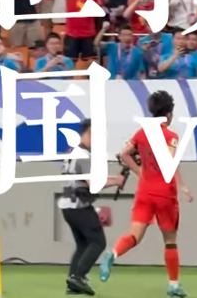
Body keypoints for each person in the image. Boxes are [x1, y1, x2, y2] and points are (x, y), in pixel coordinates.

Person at [100, 90, 194, 297]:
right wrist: (183, 186)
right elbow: (169, 162)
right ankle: (173, 285)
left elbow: (124, 154)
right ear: (168, 114)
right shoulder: (171, 137)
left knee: (135, 234)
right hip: (165, 194)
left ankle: (113, 253)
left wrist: (140, 172)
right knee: (170, 240)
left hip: (145, 191)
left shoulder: (142, 133)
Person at [59, 119, 125, 296]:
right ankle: (78, 277)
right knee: (98, 242)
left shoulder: (72, 152)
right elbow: (92, 183)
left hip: (68, 206)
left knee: (83, 244)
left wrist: (114, 179)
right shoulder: (84, 155)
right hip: (79, 205)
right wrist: (115, 181)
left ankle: (73, 282)